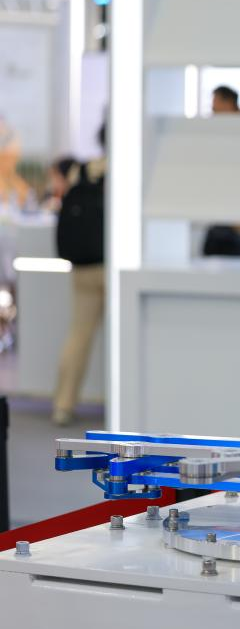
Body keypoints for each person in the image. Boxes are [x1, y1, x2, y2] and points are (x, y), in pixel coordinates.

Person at [53, 127, 106, 426]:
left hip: (84, 266)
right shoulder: (129, 168)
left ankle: (63, 405)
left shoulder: (81, 170)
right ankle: (128, 404)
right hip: (113, 268)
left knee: (79, 335)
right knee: (125, 335)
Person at [203, 85, 240, 257]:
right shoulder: (222, 134)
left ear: (228, 103)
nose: (212, 111)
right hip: (224, 214)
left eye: (215, 106)